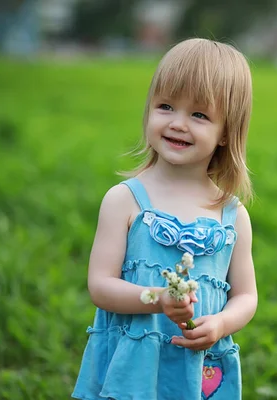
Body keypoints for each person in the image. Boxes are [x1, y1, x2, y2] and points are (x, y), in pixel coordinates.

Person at [72, 38, 258, 400]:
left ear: (226, 132)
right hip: (133, 367)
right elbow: (100, 285)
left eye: (199, 115)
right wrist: (156, 298)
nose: (177, 123)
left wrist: (221, 323)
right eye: (166, 106)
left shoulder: (232, 216)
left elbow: (246, 296)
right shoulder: (125, 201)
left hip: (197, 365)